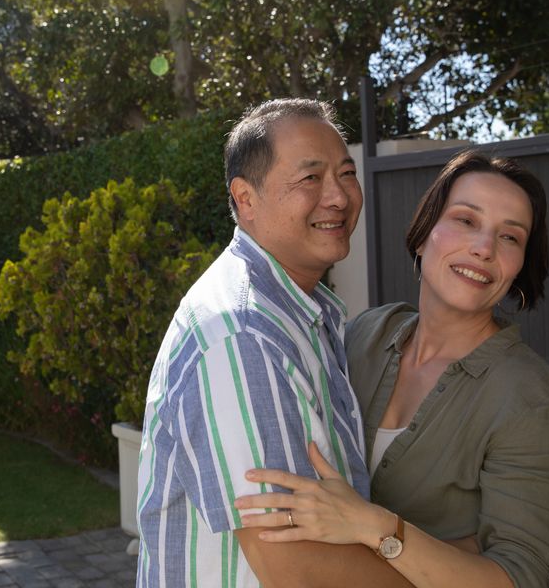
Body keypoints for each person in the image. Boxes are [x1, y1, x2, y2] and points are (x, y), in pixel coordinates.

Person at [234, 150, 549, 588]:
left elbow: (518, 578)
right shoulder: (364, 337)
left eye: (510, 237)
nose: (484, 248)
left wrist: (373, 526)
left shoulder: (535, 403)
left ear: (520, 266)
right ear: (424, 234)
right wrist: (455, 550)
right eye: (466, 220)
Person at [136, 99, 413, 587]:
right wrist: (446, 572)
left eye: (346, 174)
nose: (339, 196)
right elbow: (295, 568)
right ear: (245, 198)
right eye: (310, 178)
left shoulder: (299, 311)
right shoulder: (243, 334)